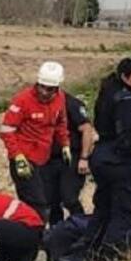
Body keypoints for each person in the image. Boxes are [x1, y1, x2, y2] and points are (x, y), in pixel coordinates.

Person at [88, 57, 131, 261]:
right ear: (125, 77)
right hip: (119, 161)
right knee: (122, 211)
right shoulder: (125, 102)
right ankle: (108, 257)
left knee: (103, 208)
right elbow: (127, 136)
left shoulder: (107, 94)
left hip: (101, 157)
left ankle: (91, 254)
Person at [0, 61, 70, 221]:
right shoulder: (23, 100)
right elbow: (6, 130)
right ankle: (35, 238)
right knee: (37, 205)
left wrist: (65, 144)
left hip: (44, 158)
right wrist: (17, 156)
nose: (44, 92)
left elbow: (61, 122)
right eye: (42, 87)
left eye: (49, 89)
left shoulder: (60, 99)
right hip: (24, 159)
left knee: (48, 200)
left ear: (57, 87)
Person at [42, 89, 95, 226]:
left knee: (69, 198)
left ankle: (82, 227)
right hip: (48, 159)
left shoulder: (70, 103)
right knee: (51, 201)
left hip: (71, 157)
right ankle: (56, 233)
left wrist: (84, 158)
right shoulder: (40, 103)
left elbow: (87, 129)